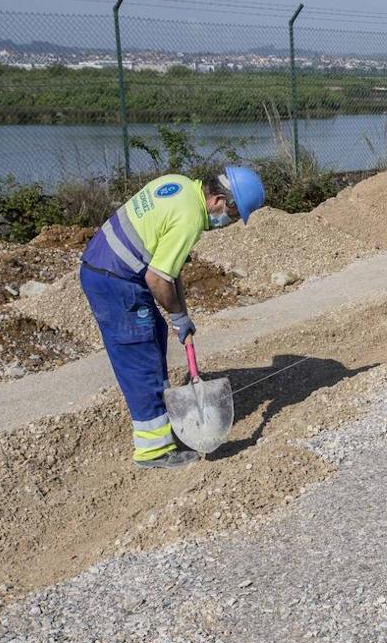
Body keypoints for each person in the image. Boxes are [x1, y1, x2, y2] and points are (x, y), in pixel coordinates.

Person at [79, 166, 265, 469]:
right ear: (218, 199)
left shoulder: (178, 185)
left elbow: (170, 266)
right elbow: (157, 278)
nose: (228, 222)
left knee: (153, 336)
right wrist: (177, 314)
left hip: (104, 266)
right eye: (232, 214)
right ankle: (153, 450)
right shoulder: (191, 219)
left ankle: (164, 424)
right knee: (142, 357)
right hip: (118, 280)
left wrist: (181, 314)